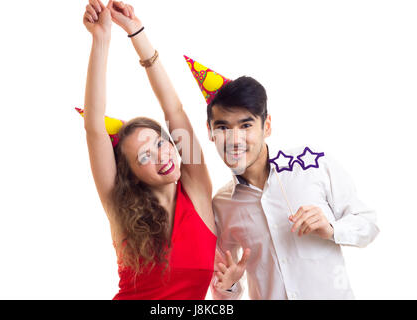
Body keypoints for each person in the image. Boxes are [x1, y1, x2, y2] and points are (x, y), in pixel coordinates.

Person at [184, 59, 380, 299]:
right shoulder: (221, 205)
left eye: (246, 125)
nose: (235, 140)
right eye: (223, 128)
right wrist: (228, 286)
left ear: (266, 126)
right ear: (210, 132)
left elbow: (369, 224)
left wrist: (331, 229)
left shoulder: (313, 164)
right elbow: (222, 287)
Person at [82, 0, 217, 299]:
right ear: (131, 175)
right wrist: (101, 40)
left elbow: (175, 110)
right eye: (145, 156)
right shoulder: (120, 209)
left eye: (160, 143)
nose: (161, 155)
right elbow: (94, 128)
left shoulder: (196, 189)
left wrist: (135, 31)